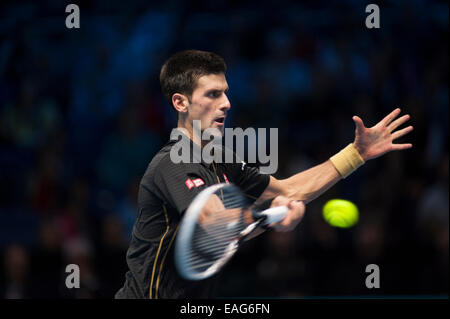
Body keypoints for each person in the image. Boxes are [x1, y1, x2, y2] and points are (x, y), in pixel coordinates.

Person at [115, 50, 413, 299]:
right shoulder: (173, 162)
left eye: (226, 93)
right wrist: (271, 216)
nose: (226, 103)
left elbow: (286, 191)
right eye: (213, 94)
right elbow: (214, 221)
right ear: (180, 102)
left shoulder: (220, 160)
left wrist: (354, 155)